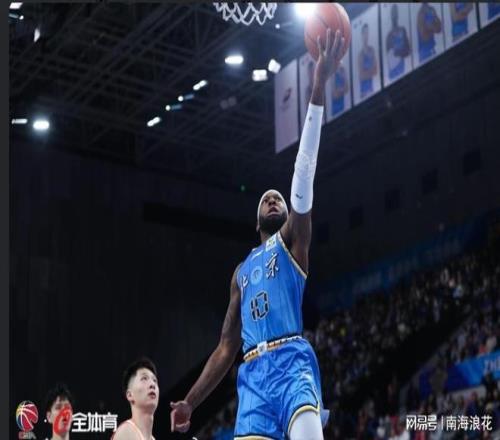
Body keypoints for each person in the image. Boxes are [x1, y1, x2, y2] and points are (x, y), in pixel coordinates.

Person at [170, 28, 344, 440]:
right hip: (253, 379)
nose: (272, 199)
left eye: (278, 198)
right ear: (256, 222)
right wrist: (190, 401)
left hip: (292, 362)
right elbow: (225, 348)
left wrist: (318, 85)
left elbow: (304, 169)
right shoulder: (241, 272)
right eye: (266, 199)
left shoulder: (294, 240)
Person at [112, 357, 159, 440]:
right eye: (144, 378)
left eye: (154, 380)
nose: (152, 384)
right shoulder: (126, 432)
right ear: (130, 395)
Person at [385, 4, 410, 80]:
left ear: (398, 14)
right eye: (393, 13)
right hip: (393, 73)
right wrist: (401, 51)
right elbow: (390, 57)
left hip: (403, 70)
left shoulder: (402, 30)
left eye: (395, 13)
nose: (394, 16)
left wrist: (398, 52)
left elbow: (408, 50)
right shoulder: (389, 36)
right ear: (390, 16)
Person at [358, 23, 377, 99]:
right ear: (362, 35)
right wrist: (371, 71)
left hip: (372, 90)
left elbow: (375, 71)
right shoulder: (360, 55)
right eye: (365, 33)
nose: (366, 35)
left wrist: (367, 72)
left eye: (367, 33)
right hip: (364, 93)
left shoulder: (372, 50)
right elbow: (361, 76)